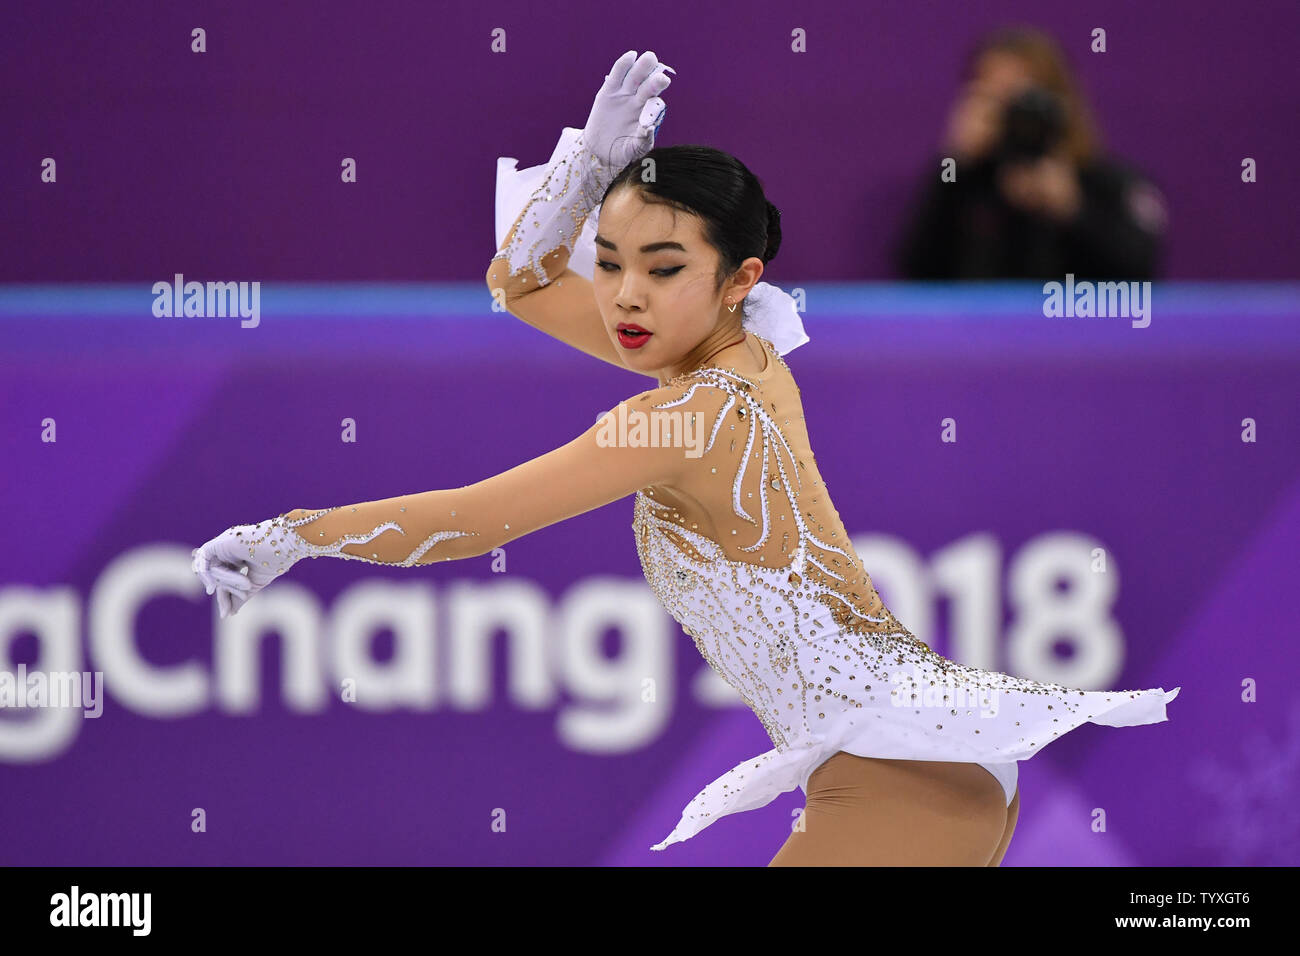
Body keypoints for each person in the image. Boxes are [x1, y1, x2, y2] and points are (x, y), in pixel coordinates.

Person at [192, 50, 1179, 865]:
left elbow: (472, 519)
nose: (622, 296)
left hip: (899, 773)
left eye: (662, 270)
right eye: (611, 260)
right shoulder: (736, 344)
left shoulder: (689, 416)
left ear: (738, 278)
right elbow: (521, 280)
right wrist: (587, 174)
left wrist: (293, 536)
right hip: (915, 758)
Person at [895, 25, 1169, 279]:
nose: (1008, 112)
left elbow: (1140, 273)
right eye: (991, 95)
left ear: (1058, 99)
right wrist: (952, 161)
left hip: (1077, 329)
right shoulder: (961, 181)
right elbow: (916, 272)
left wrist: (1072, 210)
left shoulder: (1105, 182)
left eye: (1021, 96)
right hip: (977, 330)